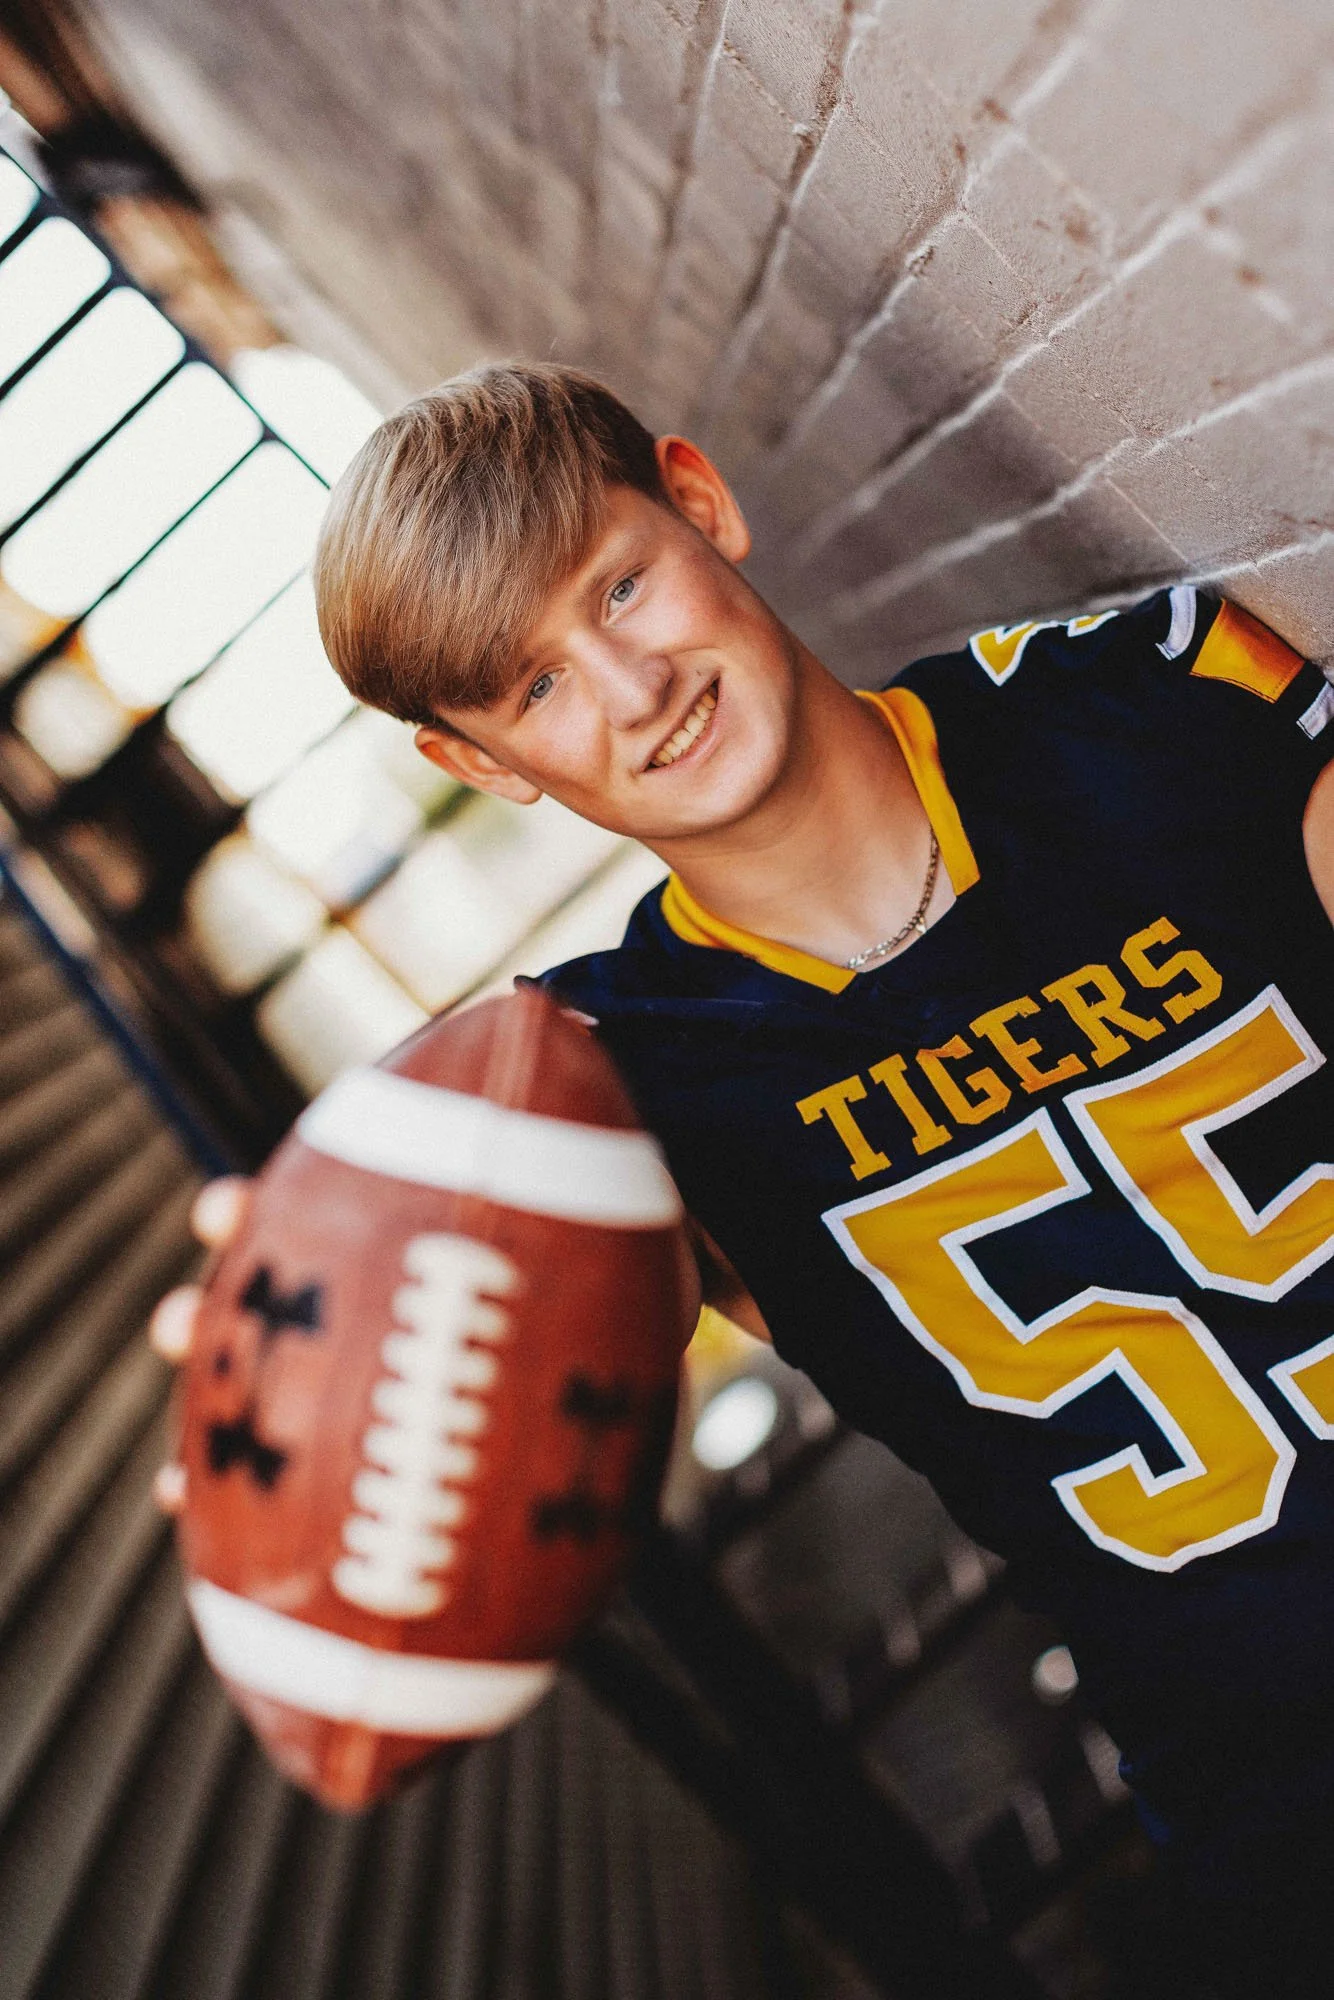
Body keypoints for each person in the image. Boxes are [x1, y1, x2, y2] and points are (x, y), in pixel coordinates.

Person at [154, 364, 1334, 1994]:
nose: (633, 688)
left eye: (620, 585)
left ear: (701, 504)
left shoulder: (1148, 708)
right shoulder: (599, 1092)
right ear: (481, 762)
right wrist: (322, 1424)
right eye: (538, 685)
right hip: (1273, 1792)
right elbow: (472, 1350)